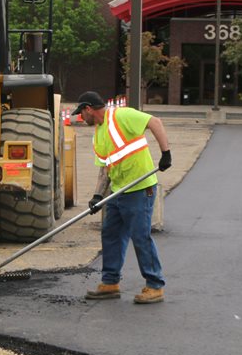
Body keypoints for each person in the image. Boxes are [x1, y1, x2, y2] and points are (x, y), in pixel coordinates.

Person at [71, 91, 172, 304]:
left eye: (81, 113)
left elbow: (155, 122)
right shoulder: (98, 134)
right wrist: (97, 195)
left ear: (88, 109)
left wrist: (166, 153)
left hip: (139, 188)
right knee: (111, 234)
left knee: (140, 236)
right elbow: (105, 169)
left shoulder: (122, 116)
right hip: (117, 191)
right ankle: (110, 283)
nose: (80, 118)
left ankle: (155, 285)